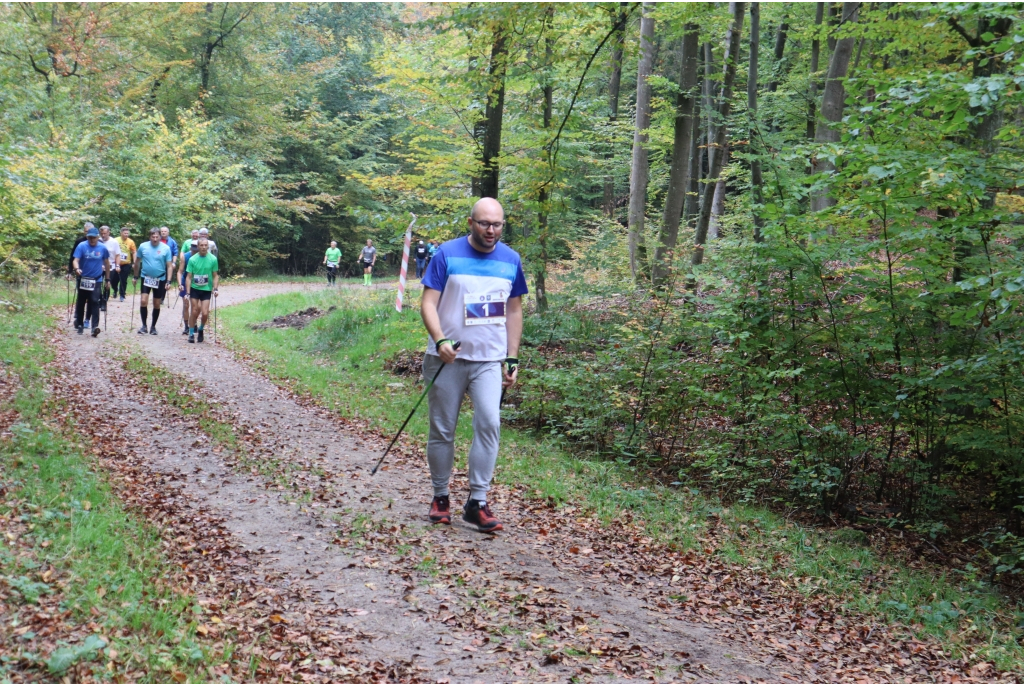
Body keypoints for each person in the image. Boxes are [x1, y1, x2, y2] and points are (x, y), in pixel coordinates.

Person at [419, 197, 526, 533]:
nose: (490, 230)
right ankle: (441, 496)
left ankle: (477, 501)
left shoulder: (511, 260)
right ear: (470, 222)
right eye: (484, 223)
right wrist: (440, 340)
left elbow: (514, 310)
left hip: (488, 360)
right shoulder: (447, 254)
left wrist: (512, 356)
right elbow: (427, 303)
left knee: (490, 423)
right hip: (446, 359)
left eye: (496, 224)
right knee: (442, 429)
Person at [71, 226, 111, 337]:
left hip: (97, 278)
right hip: (83, 278)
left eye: (94, 238)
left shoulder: (102, 248)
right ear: (87, 237)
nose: (92, 240)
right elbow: (75, 260)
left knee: (94, 301)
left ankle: (94, 327)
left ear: (98, 237)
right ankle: (79, 323)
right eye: (89, 238)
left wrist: (108, 279)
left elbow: (107, 263)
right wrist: (76, 268)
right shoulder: (81, 246)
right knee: (81, 301)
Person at [134, 228, 174, 335]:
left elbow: (169, 266)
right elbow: (137, 262)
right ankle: (144, 326)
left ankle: (153, 327)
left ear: (160, 237)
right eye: (153, 237)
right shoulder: (143, 246)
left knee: (156, 303)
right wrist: (135, 276)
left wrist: (168, 281)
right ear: (150, 237)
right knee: (143, 301)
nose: (155, 239)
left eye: (157, 237)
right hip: (146, 277)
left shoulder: (166, 248)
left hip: (160, 278)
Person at [185, 238, 219, 343]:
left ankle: (201, 329)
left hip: (206, 289)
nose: (204, 247)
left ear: (208, 246)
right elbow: (189, 277)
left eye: (205, 245)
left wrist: (216, 288)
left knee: (205, 313)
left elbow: (215, 275)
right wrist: (187, 292)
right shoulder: (192, 259)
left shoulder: (213, 259)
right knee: (194, 311)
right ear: (198, 247)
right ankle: (191, 334)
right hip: (195, 288)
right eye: (201, 245)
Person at [67, 222, 94, 328]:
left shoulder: (97, 242)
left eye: (90, 232)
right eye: (86, 231)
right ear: (84, 231)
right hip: (81, 272)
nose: (88, 234)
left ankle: (88, 318)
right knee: (81, 296)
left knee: (92, 298)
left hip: (93, 274)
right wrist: (70, 271)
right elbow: (72, 258)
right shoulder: (79, 242)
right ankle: (79, 316)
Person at [98, 226, 121, 312]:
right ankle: (99, 299)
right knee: (98, 283)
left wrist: (118, 265)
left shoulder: (114, 242)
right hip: (99, 265)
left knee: (107, 284)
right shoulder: (98, 241)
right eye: (102, 233)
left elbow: (118, 254)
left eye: (105, 233)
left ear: (109, 233)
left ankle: (104, 302)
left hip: (111, 266)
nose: (103, 235)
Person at [179, 242, 199, 335]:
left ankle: (194, 323)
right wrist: (180, 284)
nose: (195, 252)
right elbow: (180, 272)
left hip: (197, 282)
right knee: (186, 304)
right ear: (191, 249)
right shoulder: (185, 257)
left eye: (196, 250)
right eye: (193, 250)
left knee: (196, 306)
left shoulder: (202, 257)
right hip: (185, 281)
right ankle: (186, 326)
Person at [114, 226, 137, 301]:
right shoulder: (115, 240)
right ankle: (115, 289)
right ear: (121, 233)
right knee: (114, 279)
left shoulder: (131, 242)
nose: (126, 235)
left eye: (127, 233)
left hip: (126, 263)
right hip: (116, 263)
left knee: (123, 280)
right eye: (125, 233)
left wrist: (135, 262)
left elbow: (134, 252)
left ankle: (122, 295)